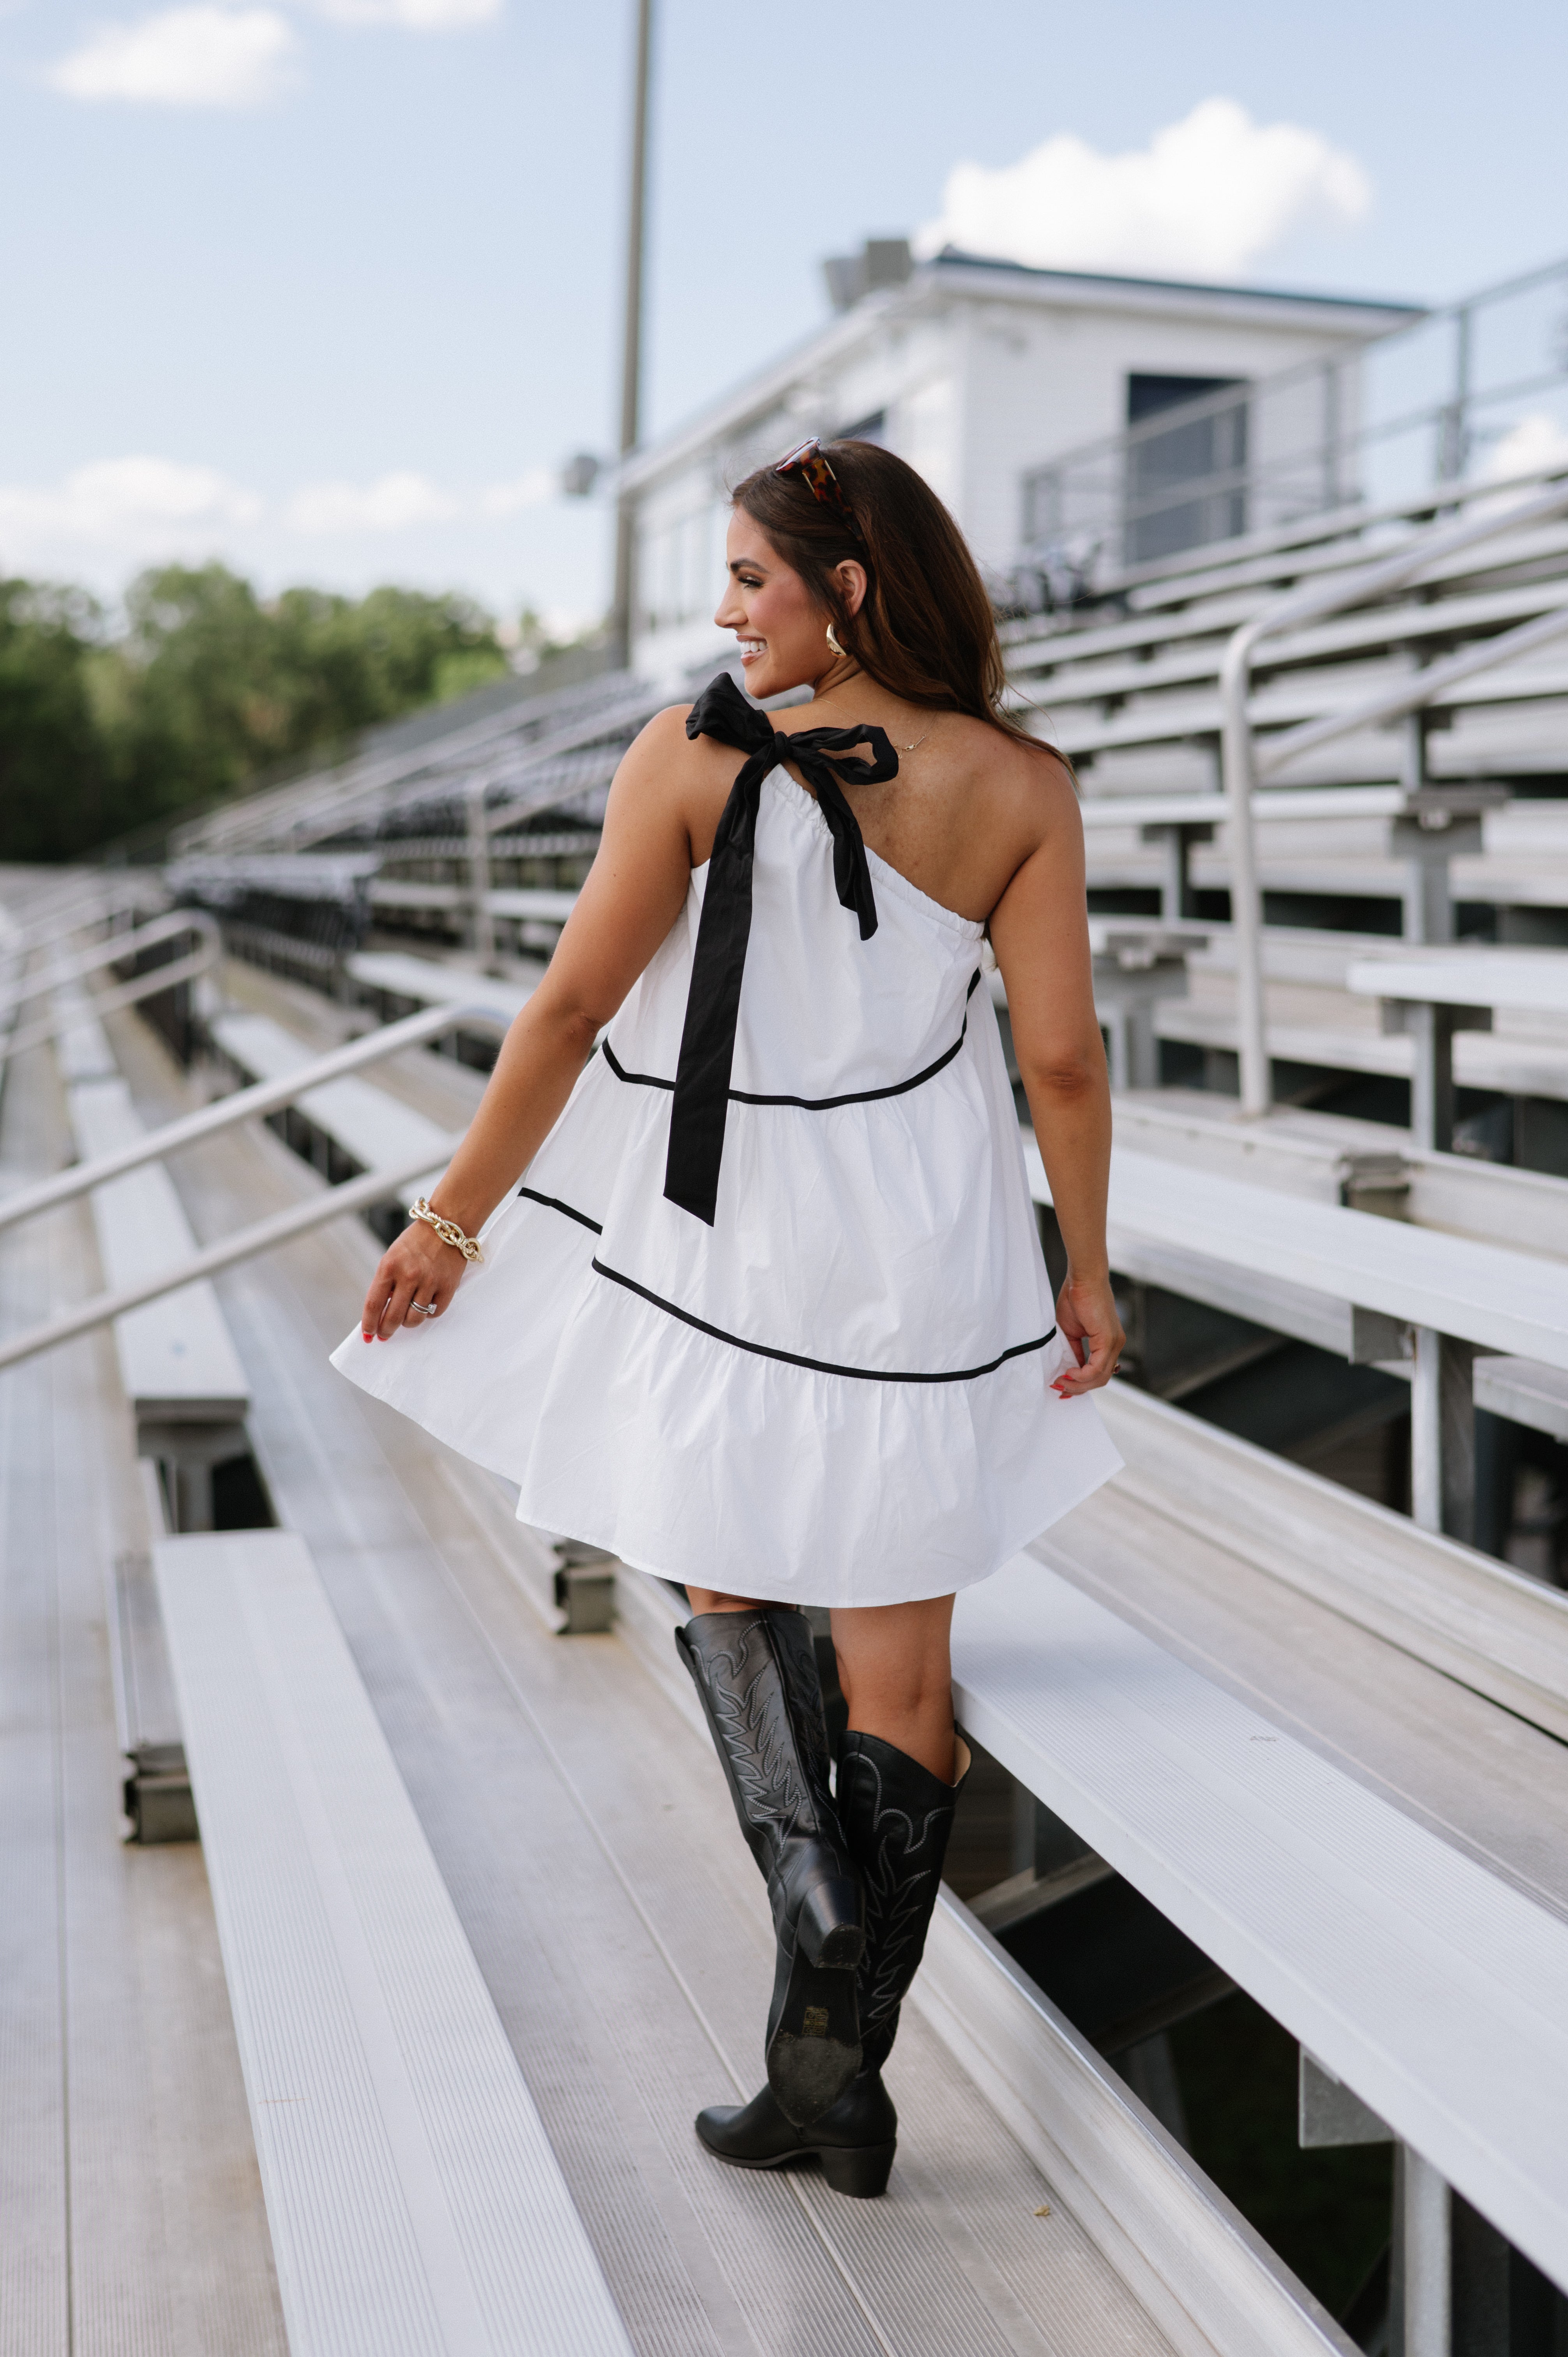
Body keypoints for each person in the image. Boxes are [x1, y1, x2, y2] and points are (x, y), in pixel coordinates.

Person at [332, 437, 1124, 2200]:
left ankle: (802, 1888)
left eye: (750, 578)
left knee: (722, 1561)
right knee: (904, 1665)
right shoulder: (1022, 785)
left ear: (845, 589)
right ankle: (831, 2088)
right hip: (925, 1241)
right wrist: (1085, 1263)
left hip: (723, 1226)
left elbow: (564, 1008)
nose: (723, 609)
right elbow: (1060, 1058)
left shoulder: (689, 749)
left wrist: (452, 1215)